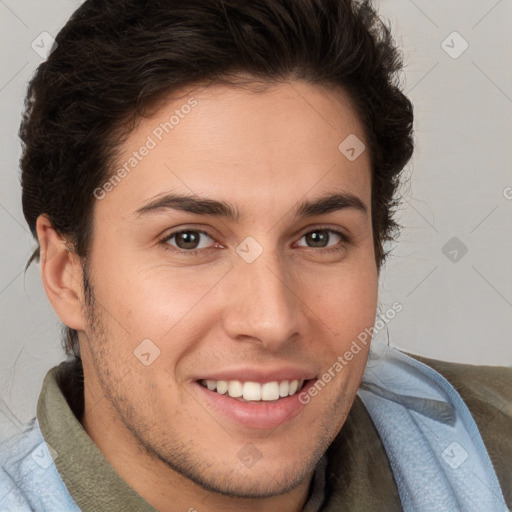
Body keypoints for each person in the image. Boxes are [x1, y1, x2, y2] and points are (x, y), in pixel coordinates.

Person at [1, 0, 510, 510]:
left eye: (319, 238)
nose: (271, 320)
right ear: (66, 273)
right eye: (189, 239)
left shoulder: (494, 445)